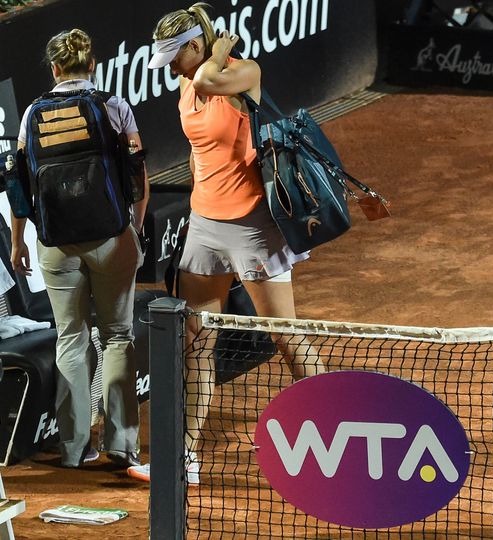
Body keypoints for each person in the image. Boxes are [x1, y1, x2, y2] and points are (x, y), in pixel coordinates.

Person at [127, 2, 325, 485]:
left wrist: (219, 53)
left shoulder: (243, 73)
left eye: (175, 57)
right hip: (205, 226)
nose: (170, 69)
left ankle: (336, 435)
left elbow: (208, 82)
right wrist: (198, 203)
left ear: (197, 45)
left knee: (287, 338)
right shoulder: (186, 80)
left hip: (254, 226)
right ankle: (184, 458)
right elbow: (199, 150)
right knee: (195, 340)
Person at [10, 28, 151, 469]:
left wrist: (17, 241)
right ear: (92, 65)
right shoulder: (114, 106)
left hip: (56, 245)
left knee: (69, 339)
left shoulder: (32, 113)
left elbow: (18, 184)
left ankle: (72, 449)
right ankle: (122, 446)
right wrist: (133, 228)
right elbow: (137, 175)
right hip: (112, 239)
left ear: (54, 69)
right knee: (117, 336)